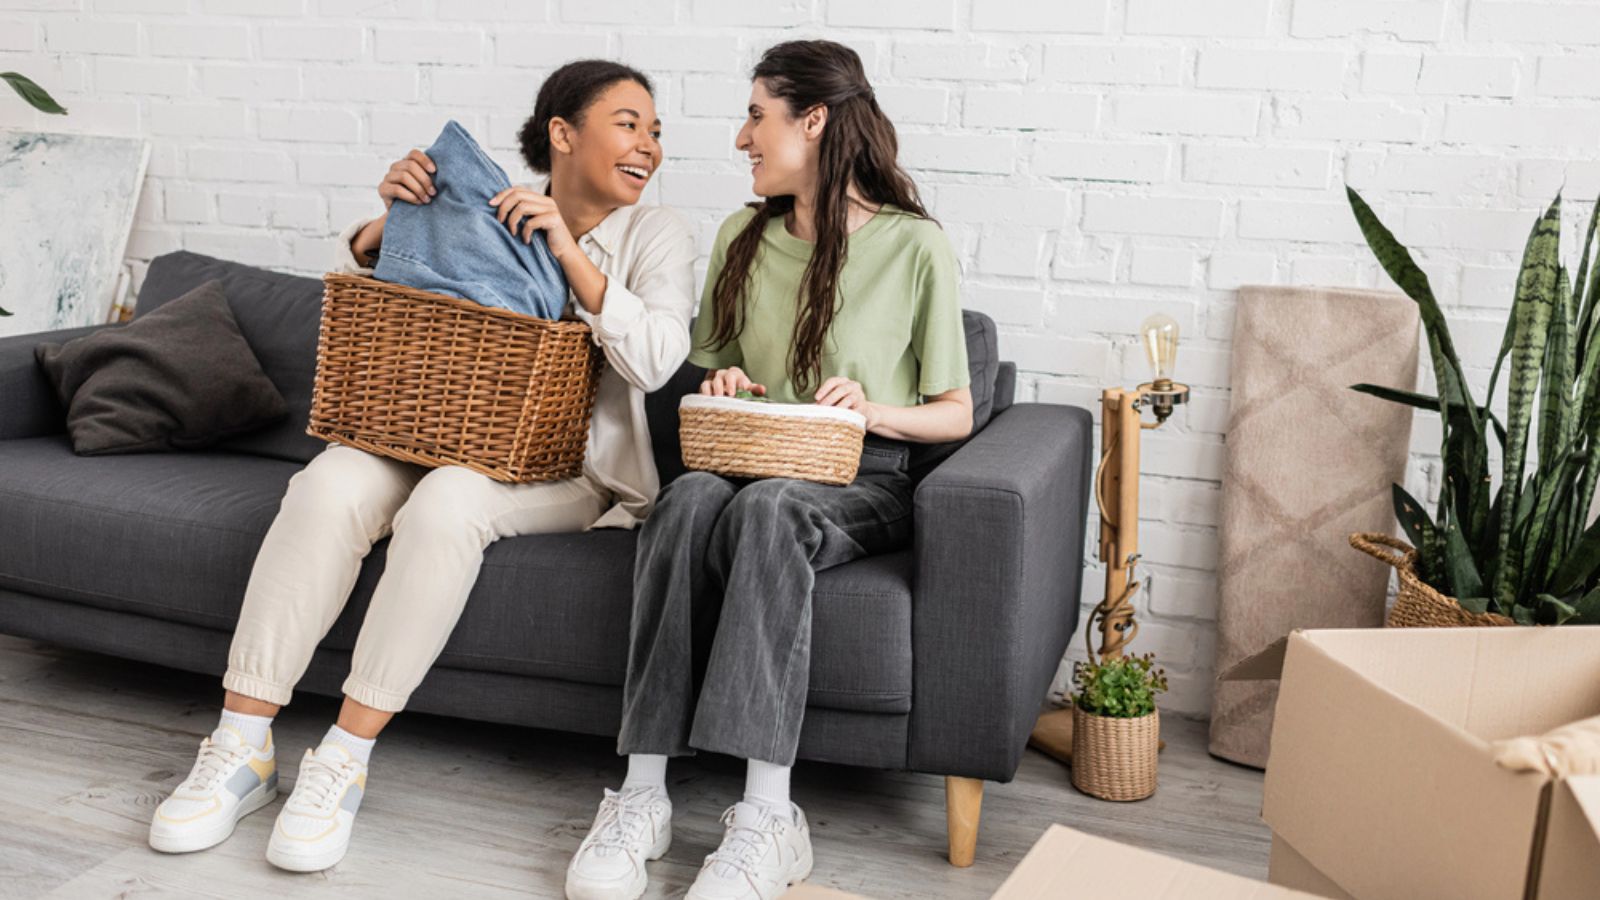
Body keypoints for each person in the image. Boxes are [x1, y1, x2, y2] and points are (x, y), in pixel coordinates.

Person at [147, 59, 697, 874]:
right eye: (629, 123)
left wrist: (568, 256)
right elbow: (383, 296)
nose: (648, 145)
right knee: (328, 483)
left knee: (448, 505)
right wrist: (389, 221)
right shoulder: (479, 209)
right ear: (563, 134)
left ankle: (342, 758)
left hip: (568, 469)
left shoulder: (658, 235)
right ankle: (241, 745)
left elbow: (657, 359)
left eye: (656, 132)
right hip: (423, 429)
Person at [564, 40, 973, 900]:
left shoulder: (914, 246)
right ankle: (641, 796)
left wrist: (870, 408)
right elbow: (706, 364)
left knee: (770, 512)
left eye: (757, 114)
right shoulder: (741, 237)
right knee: (684, 502)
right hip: (750, 461)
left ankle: (766, 818)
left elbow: (955, 412)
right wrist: (720, 378)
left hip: (864, 477)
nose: (743, 137)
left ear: (813, 120)